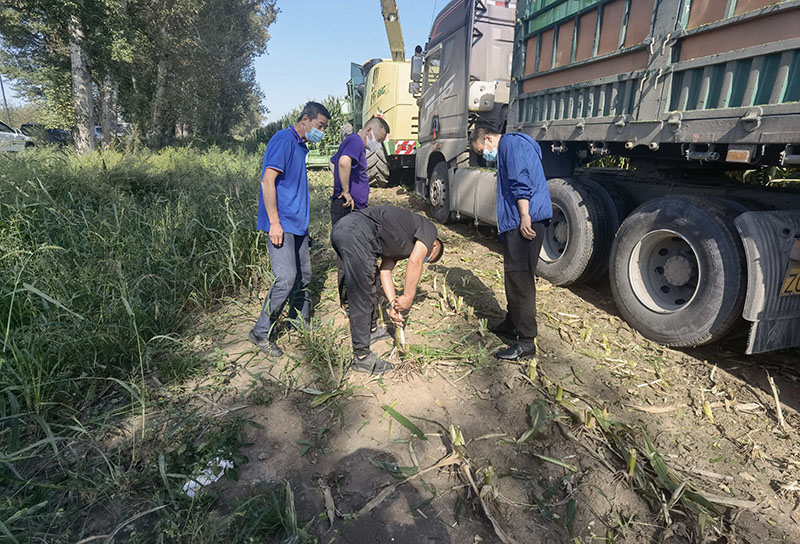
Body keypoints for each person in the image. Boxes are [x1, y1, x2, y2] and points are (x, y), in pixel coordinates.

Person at [249, 101, 331, 358]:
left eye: (325, 128)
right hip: (282, 225)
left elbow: (294, 189)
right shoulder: (284, 140)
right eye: (320, 126)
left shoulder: (300, 147)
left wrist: (304, 228)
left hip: (298, 226)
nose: (322, 132)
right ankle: (261, 332)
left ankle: (298, 320)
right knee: (285, 279)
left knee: (304, 276)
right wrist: (274, 222)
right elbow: (267, 181)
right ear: (305, 119)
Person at [469, 125, 552, 361]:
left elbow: (519, 180)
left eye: (482, 150)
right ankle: (512, 322)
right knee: (513, 276)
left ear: (487, 138)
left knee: (521, 280)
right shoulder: (513, 145)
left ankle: (526, 342)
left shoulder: (511, 144)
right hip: (518, 221)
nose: (485, 155)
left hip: (524, 221)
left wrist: (525, 215)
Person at [331, 206, 444, 374]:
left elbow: (385, 272)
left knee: (372, 282)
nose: (425, 258)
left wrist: (393, 305)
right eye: (429, 256)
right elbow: (415, 261)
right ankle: (361, 357)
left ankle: (372, 329)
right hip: (357, 231)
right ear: (434, 245)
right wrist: (408, 296)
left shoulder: (399, 243)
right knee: (361, 292)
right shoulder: (429, 229)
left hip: (345, 230)